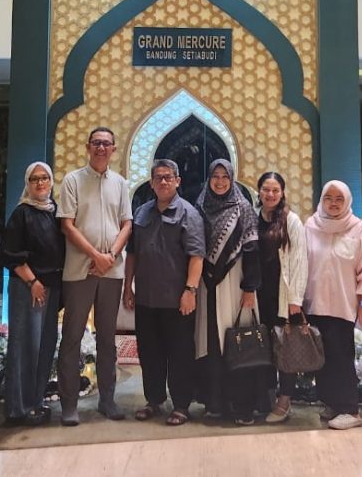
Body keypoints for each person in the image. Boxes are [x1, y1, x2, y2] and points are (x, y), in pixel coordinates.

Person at [57, 127, 133, 426]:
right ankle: (69, 404)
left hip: (111, 271)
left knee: (107, 338)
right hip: (80, 270)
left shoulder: (120, 184)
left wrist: (109, 256)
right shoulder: (73, 180)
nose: (101, 148)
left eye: (106, 144)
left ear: (114, 149)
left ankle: (107, 400)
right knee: (72, 336)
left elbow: (127, 225)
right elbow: (67, 225)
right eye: (96, 143)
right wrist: (95, 256)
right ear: (88, 147)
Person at [123, 159, 205, 426]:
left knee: (179, 353)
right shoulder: (142, 212)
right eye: (158, 177)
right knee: (150, 352)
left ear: (178, 181)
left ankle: (181, 405)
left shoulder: (189, 214)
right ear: (151, 182)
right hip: (146, 298)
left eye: (168, 177)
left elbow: (196, 256)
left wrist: (190, 290)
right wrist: (128, 287)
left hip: (176, 299)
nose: (163, 182)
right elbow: (132, 253)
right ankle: (154, 400)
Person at [304, 180, 362, 430]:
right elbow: (302, 263)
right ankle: (331, 403)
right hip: (314, 304)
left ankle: (350, 409)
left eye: (339, 199)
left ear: (347, 201)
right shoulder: (311, 226)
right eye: (329, 198)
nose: (334, 203)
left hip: (343, 305)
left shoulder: (357, 229)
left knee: (341, 357)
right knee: (321, 358)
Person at [0, 161, 66, 426]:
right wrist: (33, 281)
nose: (40, 183)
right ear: (28, 183)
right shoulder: (22, 213)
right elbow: (10, 254)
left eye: (44, 178)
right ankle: (18, 408)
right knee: (25, 346)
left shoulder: (53, 211)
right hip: (28, 288)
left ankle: (35, 402)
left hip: (50, 288)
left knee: (44, 346)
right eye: (35, 179)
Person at [194, 159, 261, 425]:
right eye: (215, 176)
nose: (220, 181)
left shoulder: (243, 209)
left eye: (225, 177)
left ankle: (242, 406)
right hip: (206, 285)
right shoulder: (200, 208)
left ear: (232, 179)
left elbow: (252, 250)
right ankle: (215, 403)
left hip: (235, 284)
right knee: (210, 342)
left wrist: (250, 288)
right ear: (209, 179)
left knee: (237, 343)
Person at [254, 172, 308, 424]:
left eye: (275, 190)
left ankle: (284, 401)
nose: (270, 194)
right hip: (258, 295)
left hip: (283, 296)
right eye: (266, 189)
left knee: (285, 350)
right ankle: (266, 397)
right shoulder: (253, 217)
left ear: (283, 193)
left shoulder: (291, 221)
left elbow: (300, 261)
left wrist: (295, 299)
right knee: (264, 348)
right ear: (259, 191)